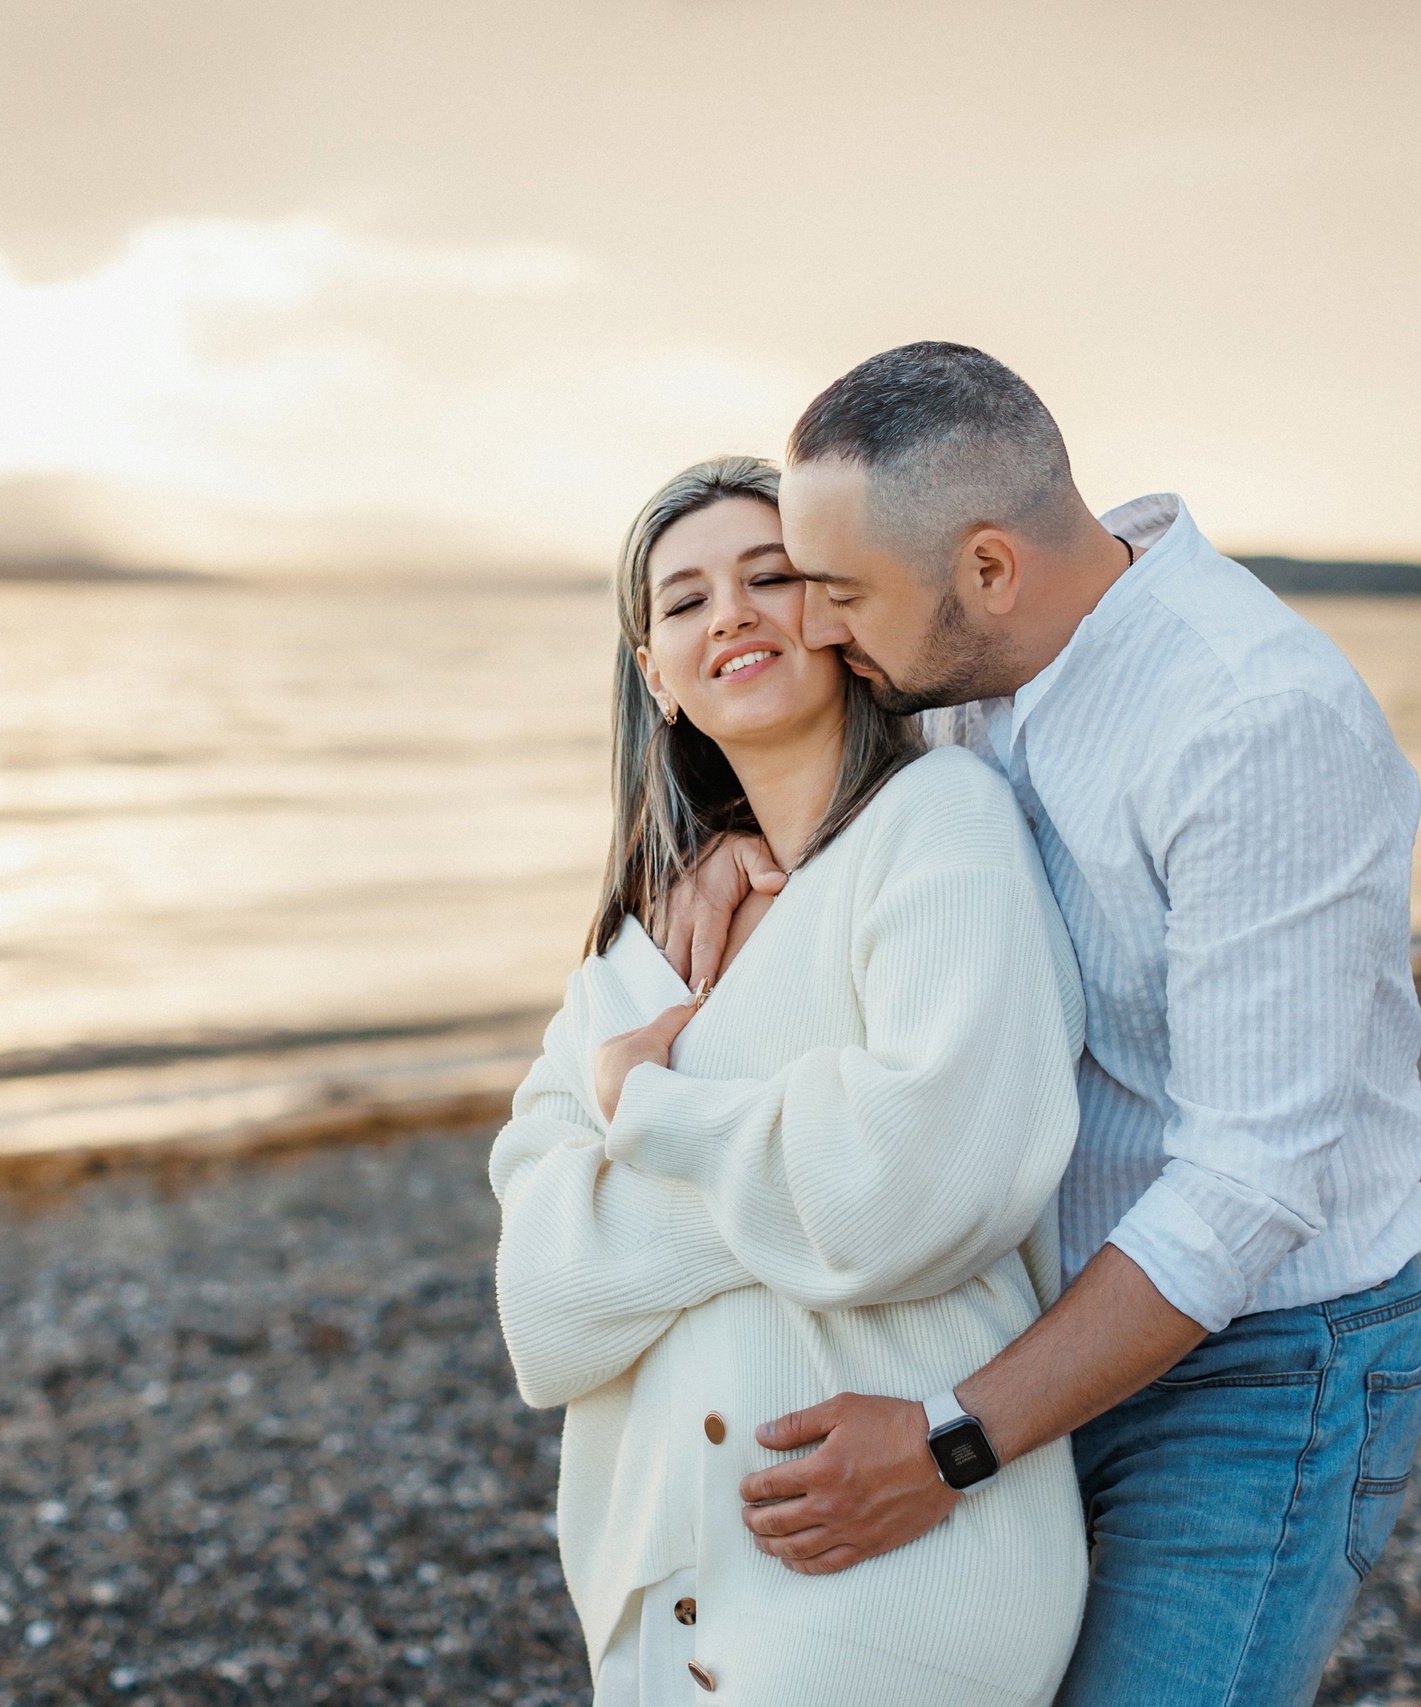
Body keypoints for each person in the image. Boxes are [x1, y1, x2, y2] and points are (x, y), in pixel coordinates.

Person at [665, 343, 1421, 1706]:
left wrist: (952, 1440)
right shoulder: (966, 666)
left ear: (989, 567)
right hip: (1033, 1315)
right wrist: (743, 839)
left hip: (1261, 1363)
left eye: (842, 593)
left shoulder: (1252, 722)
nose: (825, 630)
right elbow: (884, 849)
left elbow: (1250, 1184)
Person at [490, 455, 1093, 1704]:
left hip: (897, 1564)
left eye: (772, 577)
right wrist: (808, 1155)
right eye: (686, 599)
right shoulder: (641, 947)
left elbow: (915, 1187)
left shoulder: (942, 824)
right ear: (652, 672)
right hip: (661, 1590)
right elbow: (542, 1311)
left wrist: (642, 1112)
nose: (734, 616)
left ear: (838, 616)